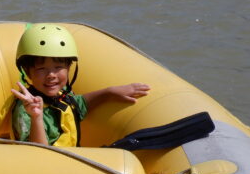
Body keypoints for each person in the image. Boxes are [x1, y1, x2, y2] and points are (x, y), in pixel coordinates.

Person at [10, 23, 150, 147]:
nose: (51, 75)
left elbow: (80, 104)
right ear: (28, 72)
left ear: (69, 68)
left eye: (58, 67)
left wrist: (109, 92)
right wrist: (36, 118)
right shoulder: (26, 110)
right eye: (41, 69)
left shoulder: (63, 96)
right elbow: (36, 156)